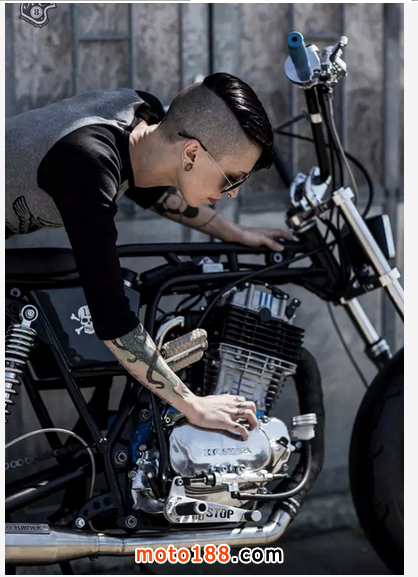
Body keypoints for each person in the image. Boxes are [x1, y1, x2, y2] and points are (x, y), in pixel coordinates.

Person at [5, 72, 291, 441]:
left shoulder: (144, 116)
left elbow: (147, 184)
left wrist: (235, 232)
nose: (234, 192)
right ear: (191, 153)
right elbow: (112, 318)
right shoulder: (87, 162)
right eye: (232, 178)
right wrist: (193, 405)